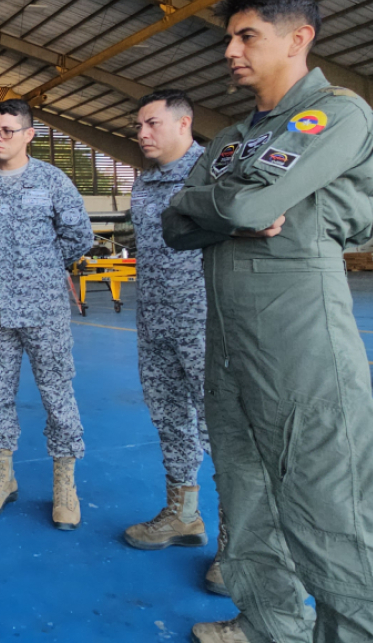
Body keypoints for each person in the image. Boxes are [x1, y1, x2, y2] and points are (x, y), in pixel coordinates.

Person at [162, 0, 373, 643]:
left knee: (338, 510)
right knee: (244, 498)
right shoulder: (236, 138)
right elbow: (172, 225)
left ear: (298, 37)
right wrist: (226, 209)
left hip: (299, 337)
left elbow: (235, 211)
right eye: (230, 38)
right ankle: (271, 624)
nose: (230, 51)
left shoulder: (338, 114)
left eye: (246, 36)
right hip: (230, 342)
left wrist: (218, 209)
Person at [0, 99, 93, 529]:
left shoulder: (52, 181)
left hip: (44, 310)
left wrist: (43, 270)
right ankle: (3, 478)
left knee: (57, 396)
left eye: (7, 130)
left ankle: (65, 486)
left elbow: (79, 235)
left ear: (29, 135)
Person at [126, 90, 227, 594]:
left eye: (151, 123)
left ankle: (237, 541)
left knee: (223, 427)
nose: (142, 133)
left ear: (185, 122)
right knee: (169, 418)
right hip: (155, 323)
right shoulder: (142, 185)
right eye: (139, 125)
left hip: (206, 322)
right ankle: (183, 515)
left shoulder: (212, 174)